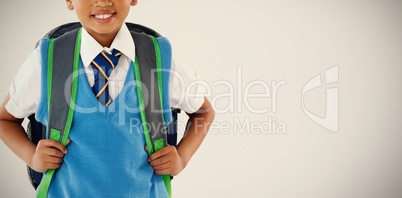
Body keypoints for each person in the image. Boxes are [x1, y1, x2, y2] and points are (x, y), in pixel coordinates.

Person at [0, 0, 215, 197]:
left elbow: (204, 112)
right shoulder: (46, 60)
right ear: (68, 1)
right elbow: (5, 120)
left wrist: (182, 158)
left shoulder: (159, 57)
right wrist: (32, 157)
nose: (103, 2)